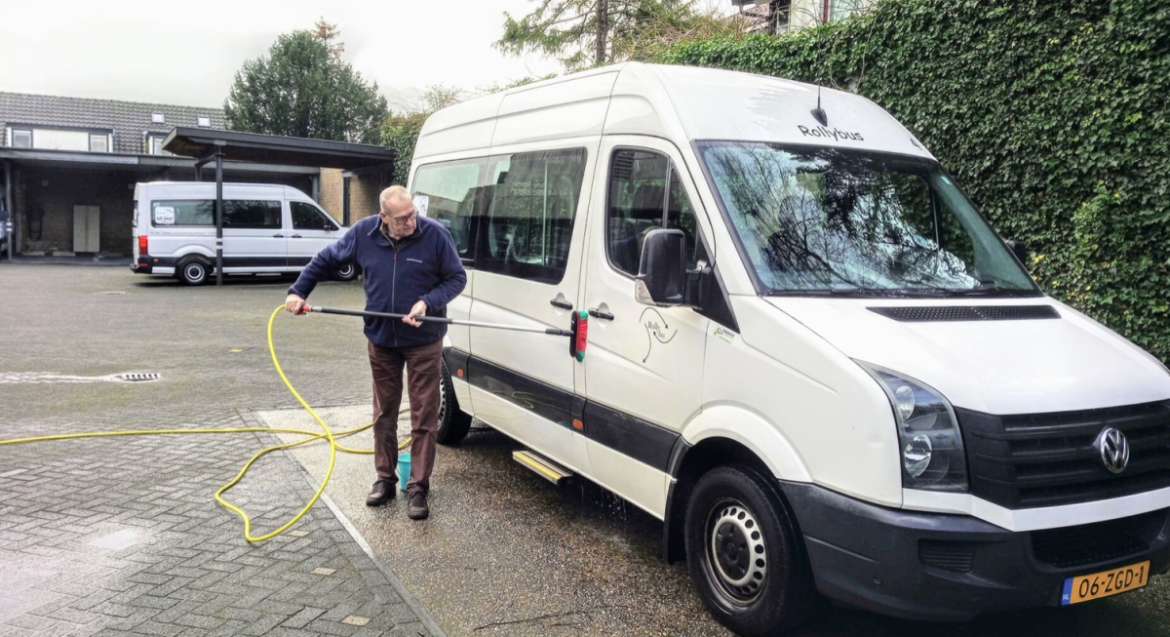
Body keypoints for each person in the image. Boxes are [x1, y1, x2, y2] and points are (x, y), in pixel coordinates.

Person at [284, 186, 467, 520]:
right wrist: (298, 291)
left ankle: (418, 488)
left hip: (424, 340)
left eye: (412, 214)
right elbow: (325, 259)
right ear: (384, 218)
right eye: (402, 219)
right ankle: (385, 478)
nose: (411, 222)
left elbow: (456, 278)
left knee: (425, 414)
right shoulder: (363, 233)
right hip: (381, 339)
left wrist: (428, 301)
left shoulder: (435, 235)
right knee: (384, 412)